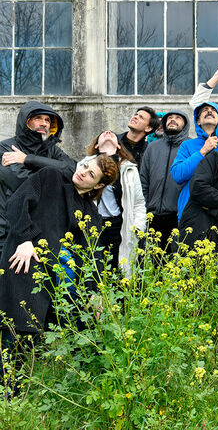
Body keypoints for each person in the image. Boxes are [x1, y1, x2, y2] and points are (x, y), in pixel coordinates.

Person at [0, 155, 118, 391]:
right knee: (15, 328)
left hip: (52, 279)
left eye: (91, 174)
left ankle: (18, 395)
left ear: (98, 186)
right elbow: (17, 203)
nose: (83, 172)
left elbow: (92, 255)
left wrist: (94, 292)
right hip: (23, 260)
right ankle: (8, 394)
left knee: (34, 335)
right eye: (85, 165)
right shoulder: (50, 177)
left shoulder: (89, 214)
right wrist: (25, 239)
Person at [0, 102, 75, 256]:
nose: (44, 123)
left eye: (48, 120)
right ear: (25, 121)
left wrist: (28, 159)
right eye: (38, 118)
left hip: (41, 232)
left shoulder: (51, 150)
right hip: (7, 230)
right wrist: (55, 179)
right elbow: (20, 182)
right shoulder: (5, 148)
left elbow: (72, 170)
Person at [86, 131, 146, 277]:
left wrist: (138, 227)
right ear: (96, 145)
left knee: (120, 269)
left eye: (113, 134)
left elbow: (138, 203)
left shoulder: (129, 169)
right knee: (95, 269)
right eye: (104, 134)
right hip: (94, 224)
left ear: (119, 146)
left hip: (119, 224)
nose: (108, 133)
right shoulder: (85, 166)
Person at [171, 102, 218, 220]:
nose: (209, 111)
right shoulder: (187, 145)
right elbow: (178, 175)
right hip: (191, 209)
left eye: (214, 110)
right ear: (198, 121)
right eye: (205, 110)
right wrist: (203, 151)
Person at [140, 111, 190, 250]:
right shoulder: (152, 147)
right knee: (151, 262)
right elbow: (144, 180)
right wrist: (145, 207)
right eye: (169, 118)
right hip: (152, 215)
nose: (172, 120)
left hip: (178, 216)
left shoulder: (190, 147)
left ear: (185, 124)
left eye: (178, 118)